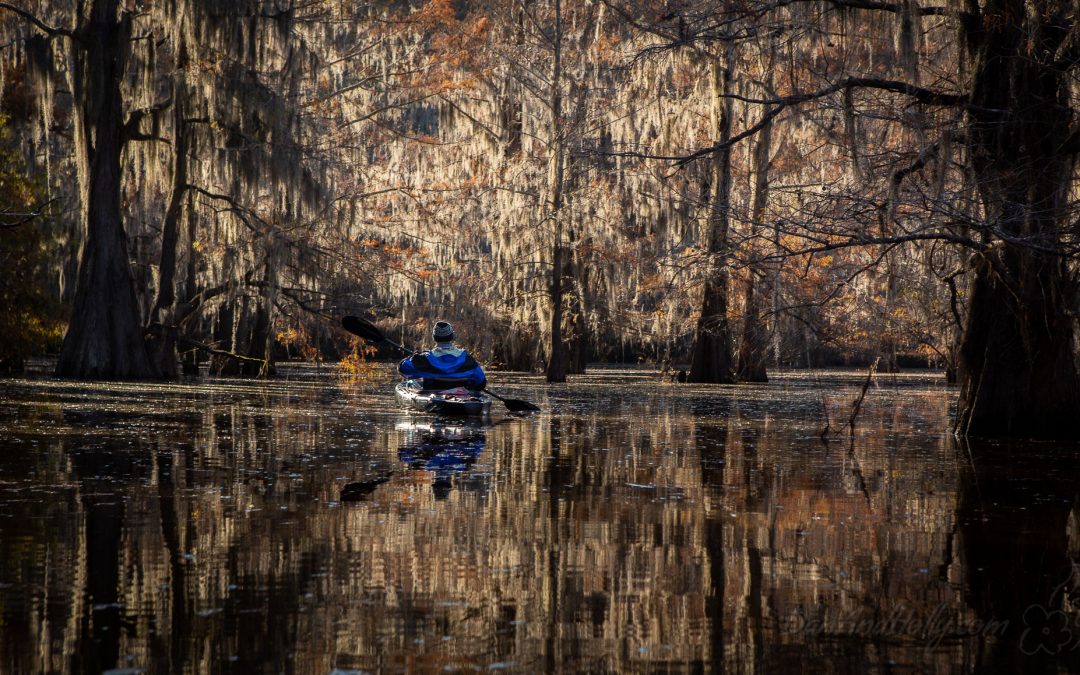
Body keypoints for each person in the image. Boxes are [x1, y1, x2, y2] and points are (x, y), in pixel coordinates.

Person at [398, 320, 486, 390]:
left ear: (434, 338)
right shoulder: (467, 359)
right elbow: (481, 382)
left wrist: (415, 356)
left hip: (433, 395)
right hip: (464, 396)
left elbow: (403, 369)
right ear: (452, 336)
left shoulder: (422, 359)